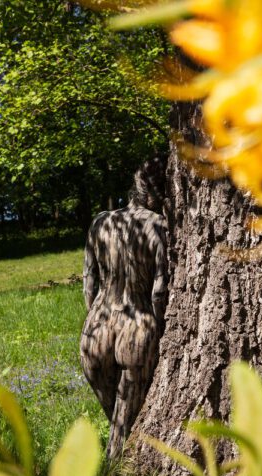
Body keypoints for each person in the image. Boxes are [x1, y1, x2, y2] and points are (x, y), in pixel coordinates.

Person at [80, 157, 167, 458]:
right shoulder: (159, 228)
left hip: (96, 331)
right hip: (137, 329)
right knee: (122, 433)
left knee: (118, 422)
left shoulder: (101, 222)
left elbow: (88, 284)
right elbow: (159, 292)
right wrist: (162, 331)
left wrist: (95, 314)